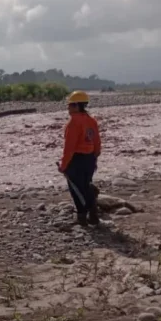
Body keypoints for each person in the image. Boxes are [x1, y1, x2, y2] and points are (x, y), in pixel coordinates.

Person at [58, 90, 101, 226]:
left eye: (70, 105)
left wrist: (63, 165)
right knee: (85, 185)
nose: (68, 108)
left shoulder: (73, 123)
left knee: (76, 189)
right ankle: (93, 213)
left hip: (76, 160)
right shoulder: (91, 120)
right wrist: (94, 158)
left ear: (77, 106)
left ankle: (82, 217)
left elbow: (69, 148)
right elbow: (97, 142)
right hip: (89, 158)